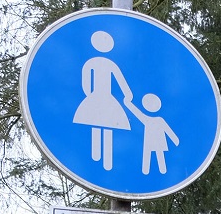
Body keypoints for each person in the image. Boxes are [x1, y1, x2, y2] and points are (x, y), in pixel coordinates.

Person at [72, 31, 133, 171]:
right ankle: (97, 159)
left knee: (106, 124)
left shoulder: (101, 63)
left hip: (101, 97)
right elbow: (86, 81)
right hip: (100, 97)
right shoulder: (93, 63)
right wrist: (127, 94)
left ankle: (104, 161)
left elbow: (119, 80)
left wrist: (90, 95)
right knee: (99, 123)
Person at [123, 94, 180, 175]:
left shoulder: (155, 120)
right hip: (151, 141)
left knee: (158, 155)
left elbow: (168, 130)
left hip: (158, 141)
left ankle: (160, 171)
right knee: (149, 155)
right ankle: (146, 172)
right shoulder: (148, 119)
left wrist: (175, 140)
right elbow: (137, 112)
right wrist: (128, 104)